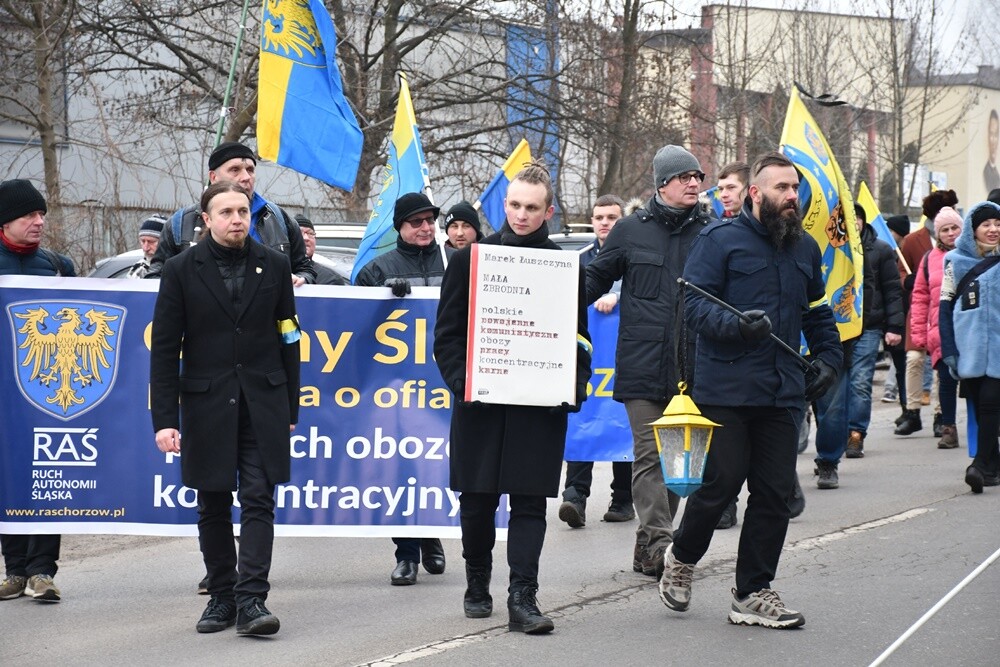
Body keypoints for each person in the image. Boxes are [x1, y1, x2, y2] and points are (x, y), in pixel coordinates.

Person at [660, 152, 841, 629]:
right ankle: (681, 557)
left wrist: (829, 359)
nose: (792, 196)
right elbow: (693, 309)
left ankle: (752, 592)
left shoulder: (805, 248)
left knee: (774, 493)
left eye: (795, 188)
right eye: (782, 188)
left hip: (783, 392)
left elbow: (818, 313)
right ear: (756, 193)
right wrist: (738, 326)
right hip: (727, 389)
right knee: (719, 486)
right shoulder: (719, 240)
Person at [434, 161, 592, 634]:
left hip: (539, 407)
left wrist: (572, 387)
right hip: (480, 404)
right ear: (505, 205)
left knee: (529, 503)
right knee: (477, 501)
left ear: (549, 212)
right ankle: (477, 580)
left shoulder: (566, 268)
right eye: (516, 205)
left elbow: (579, 340)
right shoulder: (469, 260)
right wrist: (465, 385)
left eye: (532, 208)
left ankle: (523, 597)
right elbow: (446, 337)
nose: (522, 215)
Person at [149, 181, 301, 635]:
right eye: (227, 212)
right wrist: (164, 420)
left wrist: (290, 406)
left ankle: (252, 600)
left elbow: (289, 336)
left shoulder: (275, 264)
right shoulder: (180, 269)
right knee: (213, 501)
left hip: (263, 402)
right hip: (206, 403)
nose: (237, 219)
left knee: (259, 497)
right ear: (207, 219)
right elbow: (164, 349)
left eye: (243, 211)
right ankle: (222, 595)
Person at [584, 145, 713, 578]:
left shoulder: (712, 232)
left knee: (679, 462)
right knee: (650, 456)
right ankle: (661, 544)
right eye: (684, 177)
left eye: (697, 177)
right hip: (642, 362)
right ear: (662, 184)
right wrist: (550, 298)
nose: (694, 183)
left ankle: (647, 542)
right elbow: (594, 279)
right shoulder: (628, 231)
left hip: (693, 365)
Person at [354, 191, 446, 585]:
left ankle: (432, 535)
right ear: (400, 228)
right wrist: (382, 301)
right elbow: (353, 327)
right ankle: (406, 553)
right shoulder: (377, 270)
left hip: (443, 384)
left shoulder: (453, 263)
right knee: (401, 467)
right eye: (416, 222)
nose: (425, 228)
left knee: (435, 464)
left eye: (430, 221)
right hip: (395, 388)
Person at [0, 179, 74, 603]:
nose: (39, 221)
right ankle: (14, 571)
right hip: (4, 396)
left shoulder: (58, 265)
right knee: (10, 478)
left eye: (42, 214)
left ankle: (42, 571)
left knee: (50, 478)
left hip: (47, 393)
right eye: (29, 214)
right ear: (5, 221)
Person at [810, 204, 903, 489]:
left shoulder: (875, 250)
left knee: (854, 386)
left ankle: (844, 445)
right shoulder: (812, 244)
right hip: (809, 331)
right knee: (815, 400)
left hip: (858, 330)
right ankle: (793, 465)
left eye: (857, 218)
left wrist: (885, 325)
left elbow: (886, 289)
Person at [558, 194, 635, 528]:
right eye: (599, 217)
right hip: (586, 357)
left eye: (612, 217)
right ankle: (575, 497)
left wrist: (616, 295)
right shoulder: (577, 259)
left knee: (622, 422)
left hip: (625, 358)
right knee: (583, 419)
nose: (605, 223)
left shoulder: (634, 254)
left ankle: (623, 499)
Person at [146, 141, 315, 285]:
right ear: (213, 177)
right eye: (235, 170)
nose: (246, 177)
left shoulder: (279, 219)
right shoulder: (181, 223)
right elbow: (155, 278)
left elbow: (306, 269)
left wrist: (301, 280)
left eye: (250, 170)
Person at [939, 201, 1000, 493]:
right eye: (986, 224)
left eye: (998, 224)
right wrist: (949, 349)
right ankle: (993, 465)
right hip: (968, 349)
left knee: (989, 402)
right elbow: (944, 308)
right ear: (973, 230)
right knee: (980, 406)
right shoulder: (954, 262)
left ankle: (979, 465)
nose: (993, 229)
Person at [897, 190, 958, 435]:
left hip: (946, 315)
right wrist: (908, 281)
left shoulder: (961, 242)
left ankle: (941, 414)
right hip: (921, 310)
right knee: (914, 358)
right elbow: (901, 271)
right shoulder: (913, 240)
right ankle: (912, 411)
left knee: (943, 365)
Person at [910, 207, 963, 449]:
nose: (951, 233)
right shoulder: (928, 259)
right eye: (945, 230)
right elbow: (920, 298)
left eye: (954, 228)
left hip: (969, 327)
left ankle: (984, 427)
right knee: (946, 380)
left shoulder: (974, 253)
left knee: (978, 383)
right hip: (941, 329)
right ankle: (948, 427)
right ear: (938, 233)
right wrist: (919, 332)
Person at [882, 214, 911, 407]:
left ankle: (908, 405)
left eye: (891, 230)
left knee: (905, 365)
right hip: (892, 317)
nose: (887, 234)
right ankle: (904, 405)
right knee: (899, 364)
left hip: (905, 317)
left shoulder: (903, 255)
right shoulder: (888, 253)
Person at [294, 214, 346, 285]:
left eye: (310, 233)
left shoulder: (331, 279)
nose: (306, 238)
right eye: (300, 233)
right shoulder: (281, 272)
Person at [126, 214, 167, 279]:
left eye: (151, 242)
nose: (145, 248)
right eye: (143, 241)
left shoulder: (177, 268)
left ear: (165, 242)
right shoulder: (137, 269)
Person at [984, 110, 1000, 193]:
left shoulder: (996, 172)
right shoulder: (986, 172)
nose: (993, 140)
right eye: (991, 134)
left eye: (996, 135)